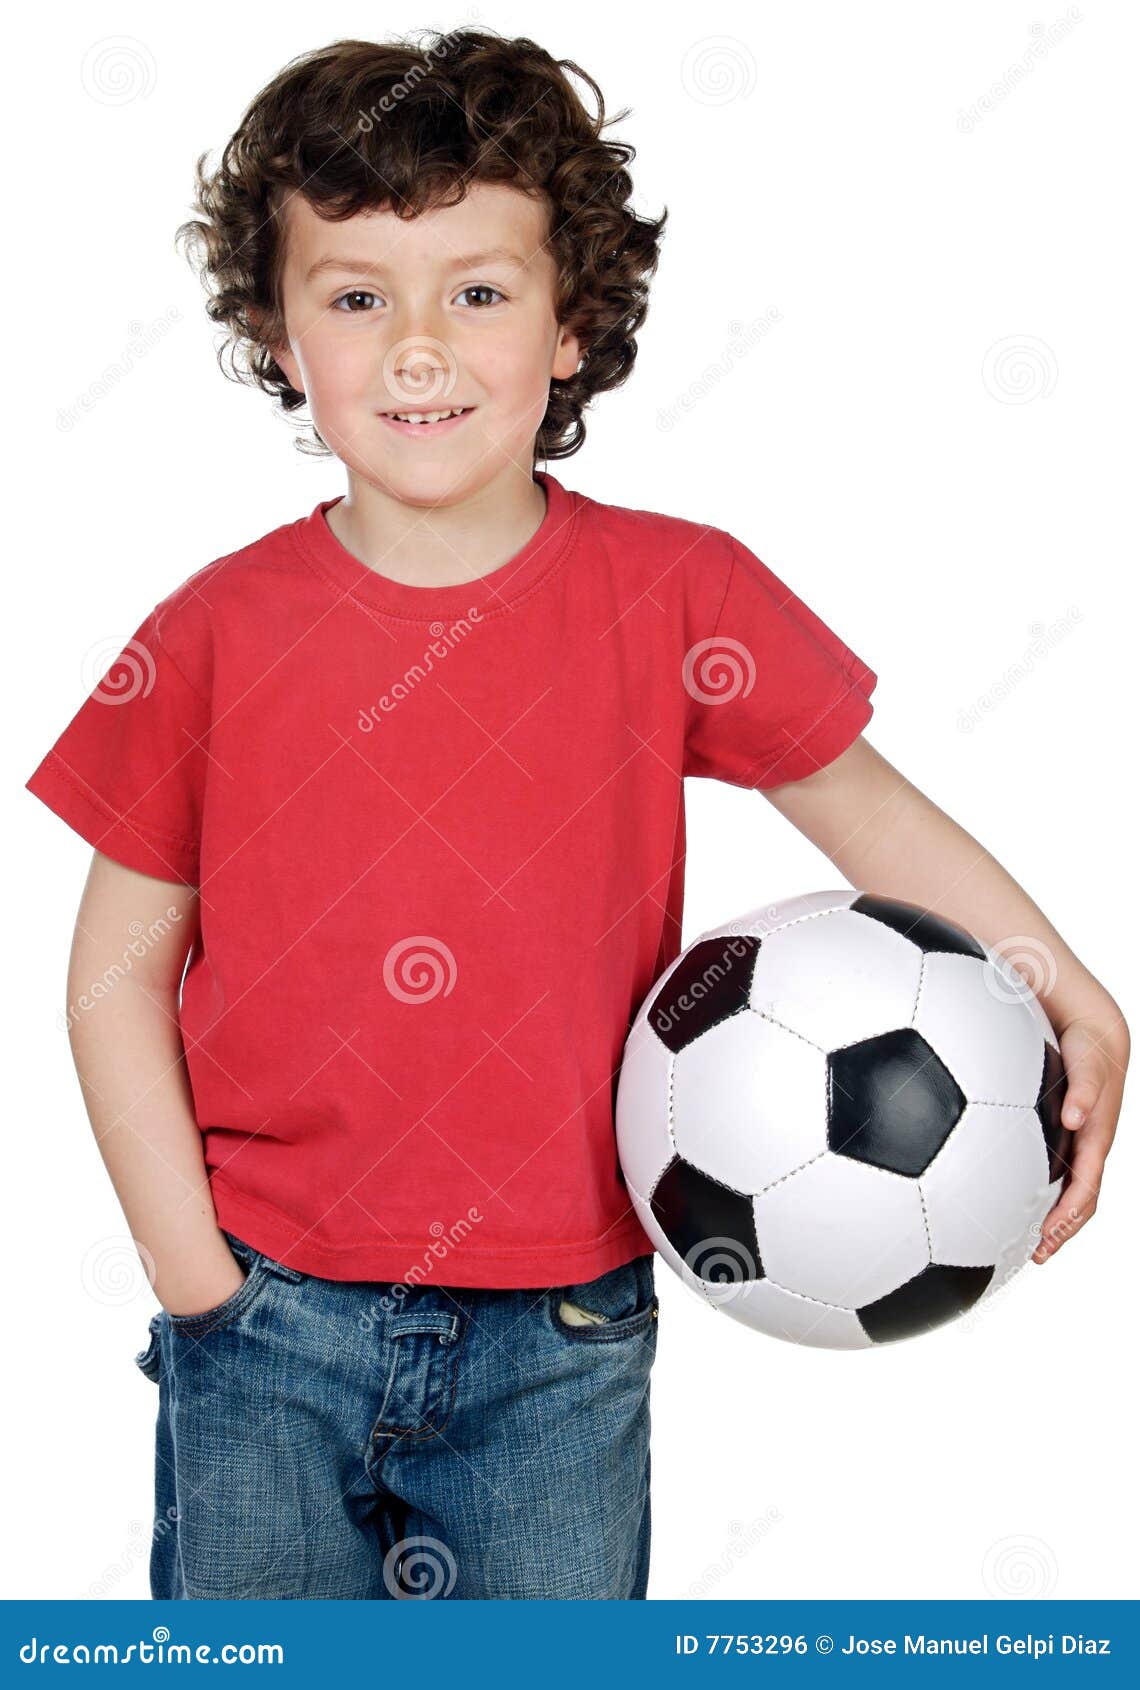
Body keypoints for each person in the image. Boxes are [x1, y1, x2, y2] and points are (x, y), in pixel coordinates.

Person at [25, 28, 1128, 1601]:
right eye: (356, 296)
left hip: (566, 1336)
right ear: (278, 338)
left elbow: (870, 819)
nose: (420, 348)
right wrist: (196, 1282)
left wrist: (1061, 979)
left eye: (478, 291)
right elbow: (108, 974)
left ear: (573, 324)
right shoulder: (210, 632)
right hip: (265, 1323)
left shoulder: (679, 592)